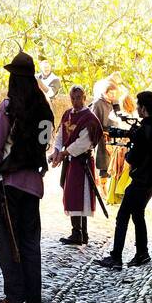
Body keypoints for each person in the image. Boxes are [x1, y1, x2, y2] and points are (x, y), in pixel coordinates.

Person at [0, 50, 55, 303]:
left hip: (10, 184)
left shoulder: (9, 108)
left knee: (6, 241)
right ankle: (33, 302)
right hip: (33, 185)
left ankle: (14, 298)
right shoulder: (45, 110)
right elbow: (44, 144)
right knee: (29, 243)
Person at [97, 90, 152, 269]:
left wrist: (129, 153)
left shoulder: (144, 130)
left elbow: (133, 157)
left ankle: (116, 257)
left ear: (143, 108)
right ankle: (142, 253)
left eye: (138, 106)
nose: (137, 109)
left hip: (142, 178)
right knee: (137, 214)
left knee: (123, 215)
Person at [49, 85, 104, 246]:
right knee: (72, 195)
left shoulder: (89, 118)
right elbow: (60, 136)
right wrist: (56, 151)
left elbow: (83, 143)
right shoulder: (68, 114)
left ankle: (80, 233)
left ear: (84, 97)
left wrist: (62, 154)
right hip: (71, 162)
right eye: (73, 98)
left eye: (78, 97)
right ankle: (77, 232)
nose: (75, 101)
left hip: (82, 162)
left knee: (81, 196)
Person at [91, 78, 119, 189]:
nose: (113, 95)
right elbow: (94, 123)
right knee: (103, 164)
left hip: (114, 136)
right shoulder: (97, 103)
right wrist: (103, 133)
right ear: (105, 92)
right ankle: (102, 188)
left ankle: (112, 190)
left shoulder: (115, 105)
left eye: (114, 93)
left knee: (114, 164)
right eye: (111, 93)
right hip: (102, 137)